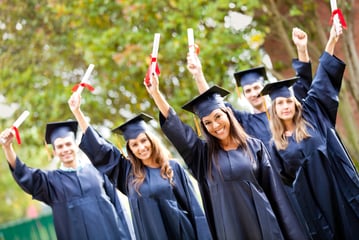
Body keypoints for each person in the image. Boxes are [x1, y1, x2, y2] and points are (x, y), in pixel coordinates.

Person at [145, 73, 308, 239]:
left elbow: (276, 196)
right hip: (230, 231)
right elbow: (176, 128)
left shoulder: (254, 146)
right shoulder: (201, 155)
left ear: (228, 114)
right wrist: (156, 94)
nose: (215, 125)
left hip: (265, 225)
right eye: (207, 122)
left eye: (218, 117)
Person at [68, 92, 212, 240]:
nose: (141, 147)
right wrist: (78, 112)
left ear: (151, 140)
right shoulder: (127, 173)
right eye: (134, 144)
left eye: (144, 141)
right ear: (130, 149)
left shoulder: (173, 167)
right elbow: (101, 150)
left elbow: (195, 209)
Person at [262, 25, 359, 239]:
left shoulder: (313, 114)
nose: (285, 106)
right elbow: (285, 179)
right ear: (274, 110)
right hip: (316, 204)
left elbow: (322, 78)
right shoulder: (275, 146)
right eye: (280, 103)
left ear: (295, 103)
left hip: (341, 188)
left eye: (289, 101)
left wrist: (331, 40)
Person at [0, 120, 131, 240]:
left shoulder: (99, 171)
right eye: (60, 146)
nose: (65, 149)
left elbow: (118, 208)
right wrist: (7, 147)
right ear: (55, 152)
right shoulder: (50, 182)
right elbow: (24, 174)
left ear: (76, 145)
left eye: (68, 144)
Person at [187, 27, 312, 150]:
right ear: (244, 95)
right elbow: (213, 106)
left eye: (256, 87)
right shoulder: (245, 121)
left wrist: (302, 49)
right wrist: (198, 74)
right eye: (248, 90)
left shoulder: (286, 110)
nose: (253, 93)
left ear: (264, 88)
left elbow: (303, 83)